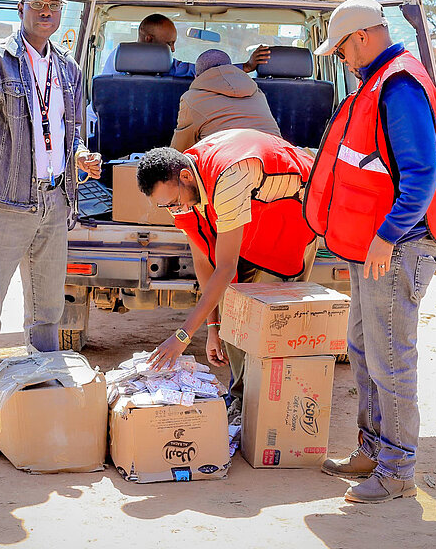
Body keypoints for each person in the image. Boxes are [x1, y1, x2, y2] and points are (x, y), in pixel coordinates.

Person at [304, 0, 436, 504]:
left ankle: (398, 469)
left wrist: (385, 235)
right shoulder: (379, 81)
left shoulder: (398, 85)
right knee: (363, 351)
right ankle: (373, 449)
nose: (340, 60)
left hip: (394, 247)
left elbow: (421, 173)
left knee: (390, 359)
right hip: (371, 249)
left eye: (340, 50)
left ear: (361, 37)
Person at [0, 0, 102, 459]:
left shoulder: (68, 68)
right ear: (21, 8)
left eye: (54, 5)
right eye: (38, 4)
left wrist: (79, 157)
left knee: (47, 317)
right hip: (3, 207)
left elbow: (66, 133)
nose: (47, 12)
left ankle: (41, 406)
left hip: (55, 204)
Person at [136, 130, 317, 402]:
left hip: (293, 216)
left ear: (185, 177)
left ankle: (264, 414)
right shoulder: (185, 184)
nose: (175, 209)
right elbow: (203, 260)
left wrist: (184, 335)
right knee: (234, 314)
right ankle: (243, 404)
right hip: (256, 218)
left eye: (174, 202)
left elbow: (226, 267)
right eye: (166, 206)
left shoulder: (229, 177)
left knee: (260, 324)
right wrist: (213, 326)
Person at [170, 49, 282, 152]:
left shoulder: (191, 99)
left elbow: (180, 149)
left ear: (196, 76)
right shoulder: (256, 92)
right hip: (281, 158)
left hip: (232, 166)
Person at [100, 13, 269, 77]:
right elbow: (202, 72)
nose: (173, 50)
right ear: (149, 39)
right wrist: (246, 67)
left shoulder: (114, 64)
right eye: (169, 44)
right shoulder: (170, 69)